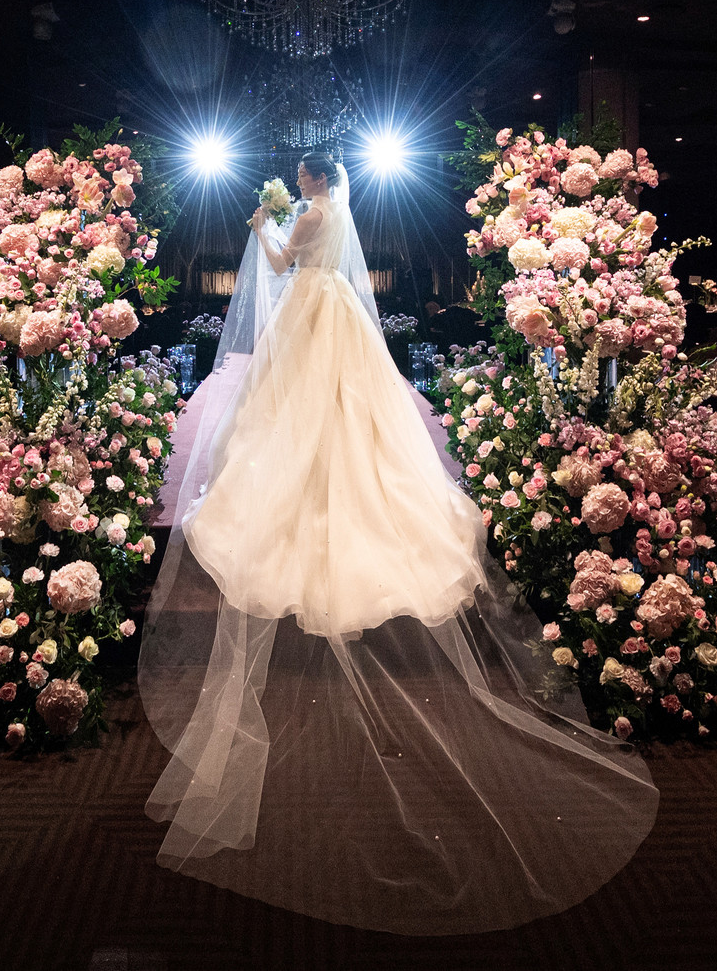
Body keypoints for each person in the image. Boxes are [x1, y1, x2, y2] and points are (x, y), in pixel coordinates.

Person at [138, 149, 657, 936]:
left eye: (302, 178)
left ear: (313, 180)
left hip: (309, 313)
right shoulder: (337, 213)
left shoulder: (310, 214)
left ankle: (313, 495)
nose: (300, 185)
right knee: (348, 413)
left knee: (302, 412)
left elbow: (278, 263)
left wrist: (261, 224)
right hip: (337, 313)